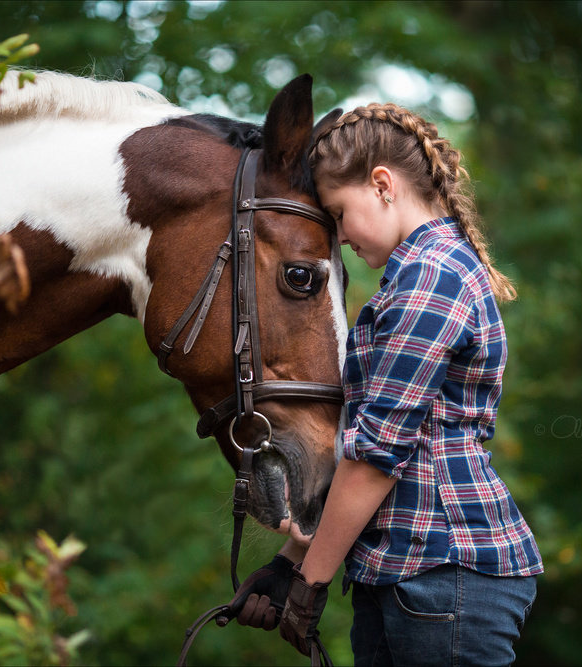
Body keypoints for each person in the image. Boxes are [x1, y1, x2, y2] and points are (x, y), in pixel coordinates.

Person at [229, 103, 543, 667]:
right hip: (410, 574)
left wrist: (311, 583)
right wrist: (290, 563)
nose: (340, 236)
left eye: (339, 213)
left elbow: (375, 459)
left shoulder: (431, 279)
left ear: (382, 185)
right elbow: (365, 449)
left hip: (445, 575)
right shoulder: (414, 278)